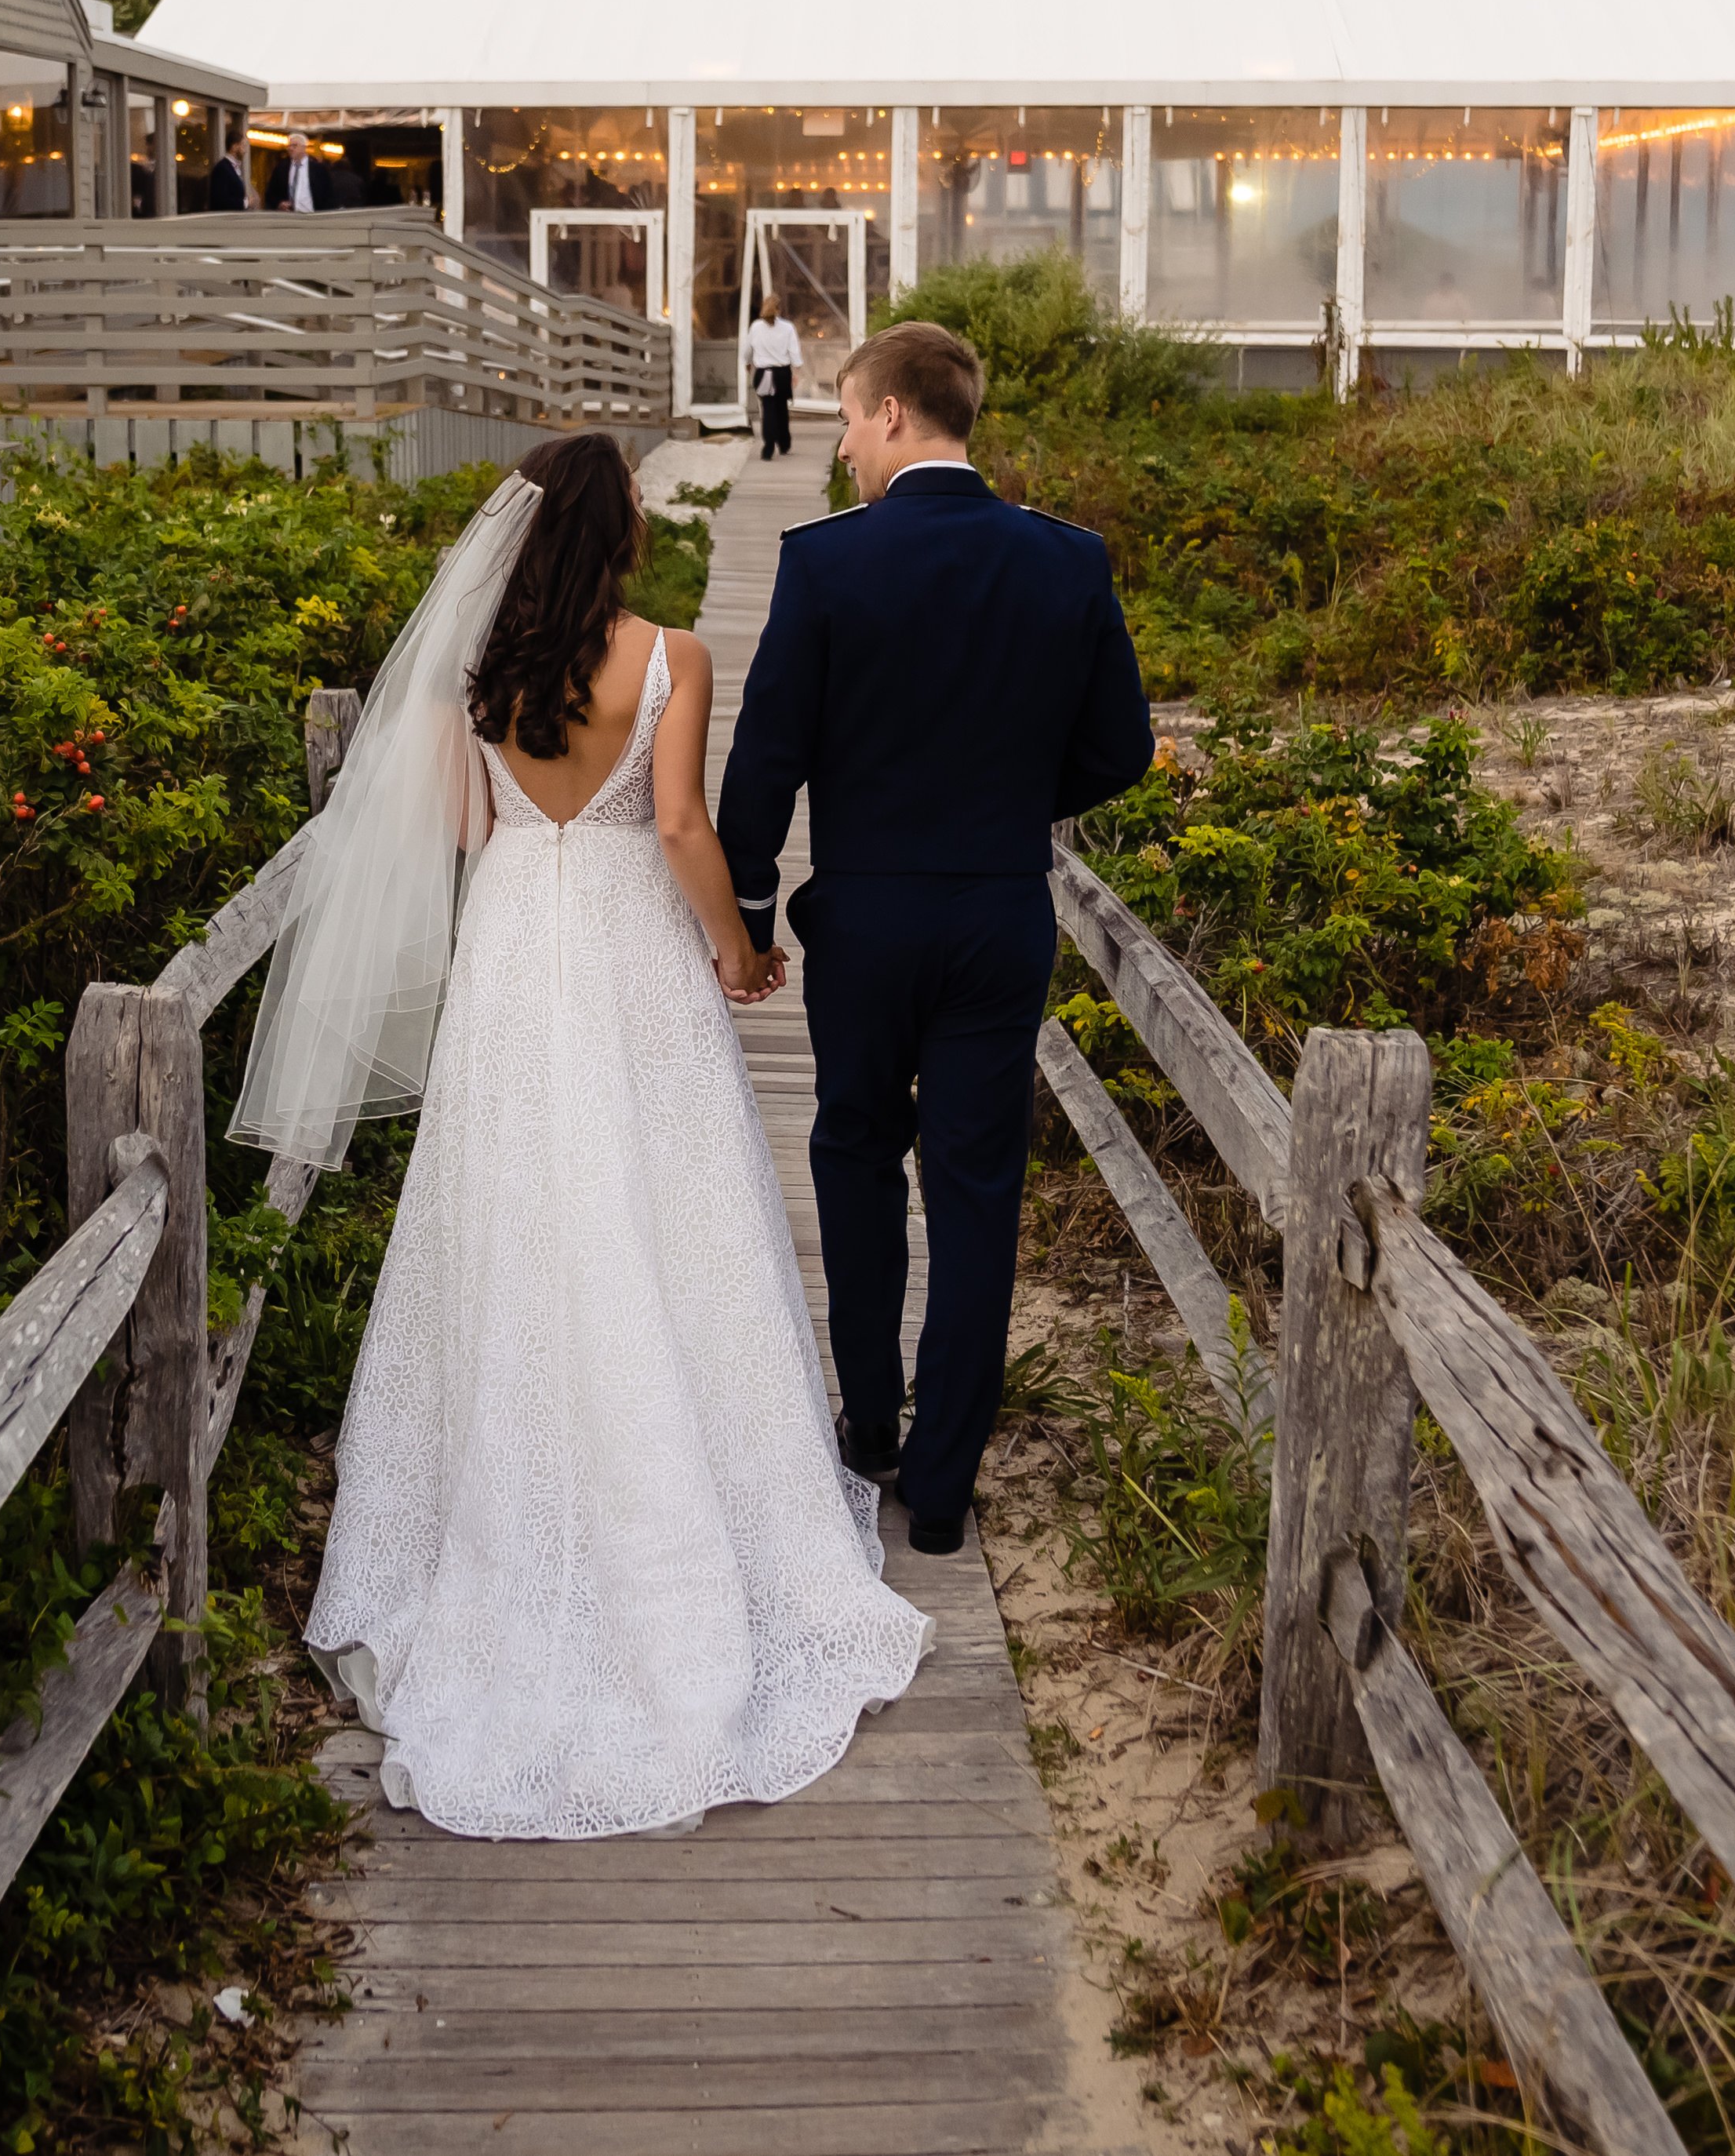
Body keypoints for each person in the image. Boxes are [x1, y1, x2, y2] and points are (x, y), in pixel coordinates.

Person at [236, 434, 928, 1838]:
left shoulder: (468, 673)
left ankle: (494, 1531)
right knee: (668, 1208)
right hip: (626, 950)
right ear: (621, 534)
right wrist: (737, 953)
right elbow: (679, 824)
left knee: (512, 1205)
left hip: (512, 944)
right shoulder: (672, 655)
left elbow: (456, 825)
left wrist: (518, 819)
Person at [717, 323, 1155, 1555]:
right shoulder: (1066, 561)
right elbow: (1119, 747)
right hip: (996, 916)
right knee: (974, 1191)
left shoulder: (824, 565)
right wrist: (1012, 804)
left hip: (859, 919)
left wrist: (749, 907)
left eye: (849, 420)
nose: (845, 443)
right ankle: (945, 1484)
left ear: (896, 414)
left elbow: (765, 761)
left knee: (853, 1155)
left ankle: (867, 1428)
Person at [743, 307, 804, 458]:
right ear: (778, 310)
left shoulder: (756, 327)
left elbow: (747, 350)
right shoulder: (787, 327)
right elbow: (794, 351)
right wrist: (796, 371)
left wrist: (748, 363)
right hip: (782, 372)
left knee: (768, 408)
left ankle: (768, 446)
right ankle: (784, 443)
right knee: (782, 408)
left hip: (764, 373)